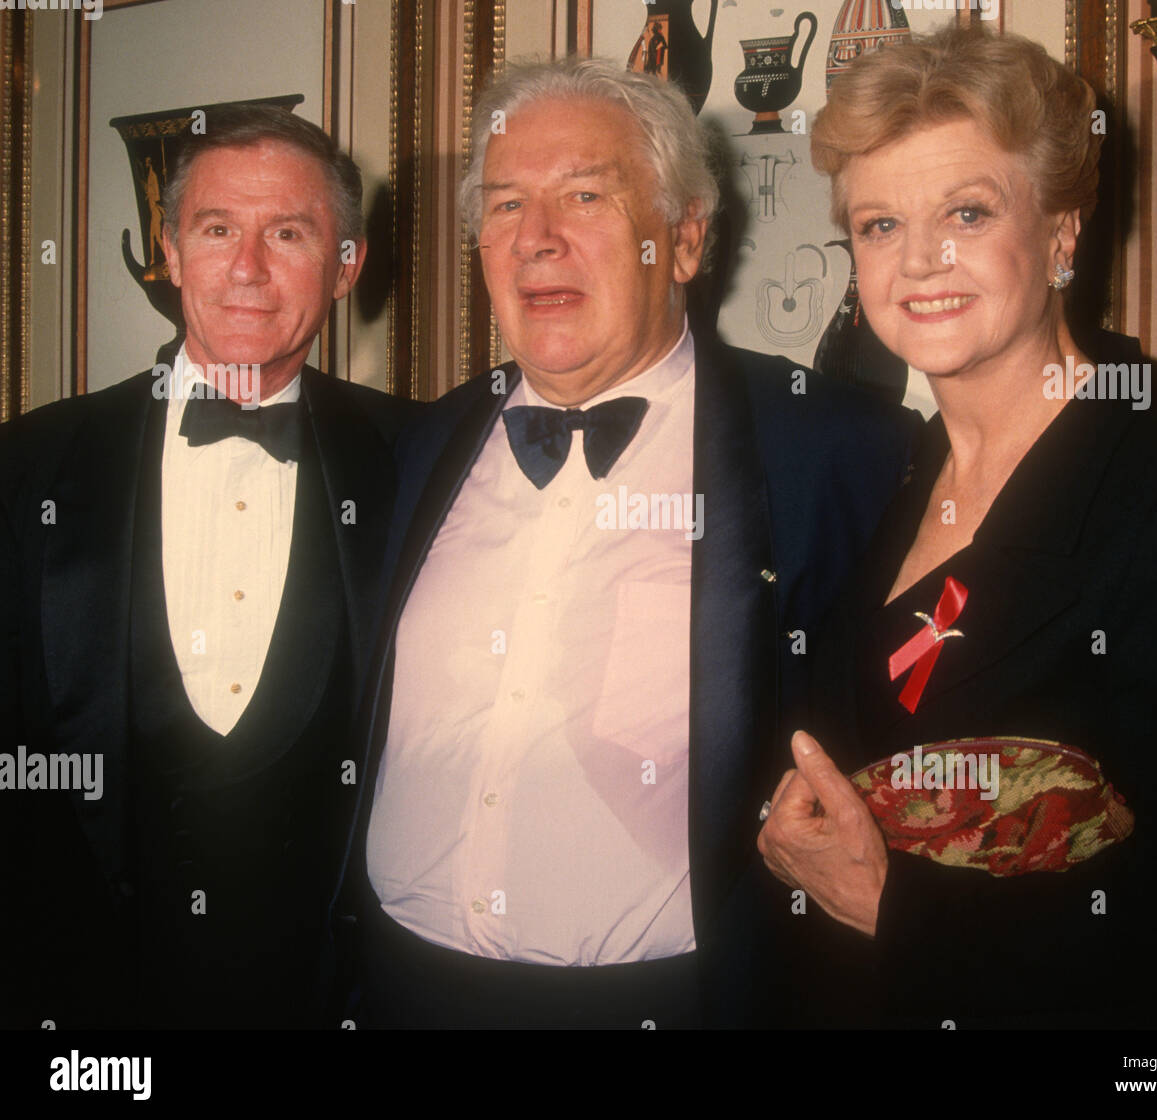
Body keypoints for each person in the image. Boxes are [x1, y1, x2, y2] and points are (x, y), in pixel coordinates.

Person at [335, 57, 920, 1028]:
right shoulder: (417, 444)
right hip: (399, 989)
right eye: (507, 203)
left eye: (585, 196)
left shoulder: (834, 452)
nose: (538, 240)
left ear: (684, 240)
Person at [757, 26, 1157, 1029]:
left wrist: (896, 909)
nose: (919, 259)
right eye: (878, 225)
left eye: (966, 211)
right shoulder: (889, 471)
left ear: (1059, 233)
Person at [0, 105, 422, 1028]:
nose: (247, 269)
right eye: (217, 229)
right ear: (170, 251)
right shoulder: (25, 465)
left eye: (289, 233)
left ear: (346, 266)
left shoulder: (417, 460)